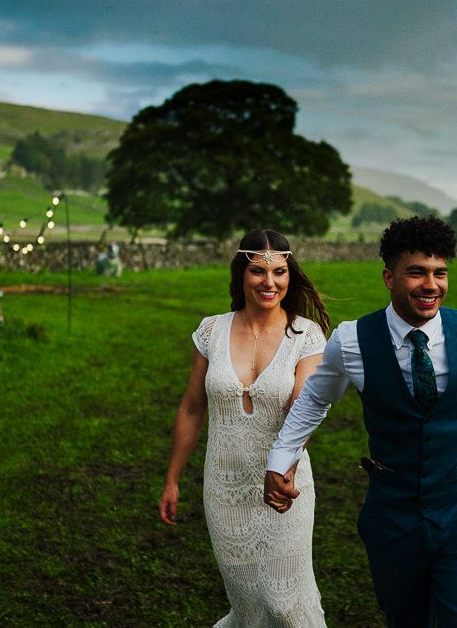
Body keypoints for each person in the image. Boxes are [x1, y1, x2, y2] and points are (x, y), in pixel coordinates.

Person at [264, 215, 457, 627]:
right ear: (389, 277)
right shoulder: (352, 340)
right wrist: (281, 458)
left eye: (440, 273)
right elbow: (315, 399)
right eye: (417, 273)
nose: (431, 285)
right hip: (392, 515)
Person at [159, 229, 329, 626]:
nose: (269, 282)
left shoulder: (306, 336)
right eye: (258, 271)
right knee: (250, 607)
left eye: (279, 272)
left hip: (286, 487)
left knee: (287, 604)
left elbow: (305, 407)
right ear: (241, 275)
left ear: (290, 276)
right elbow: (190, 408)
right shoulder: (211, 331)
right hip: (224, 488)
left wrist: (284, 468)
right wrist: (172, 480)